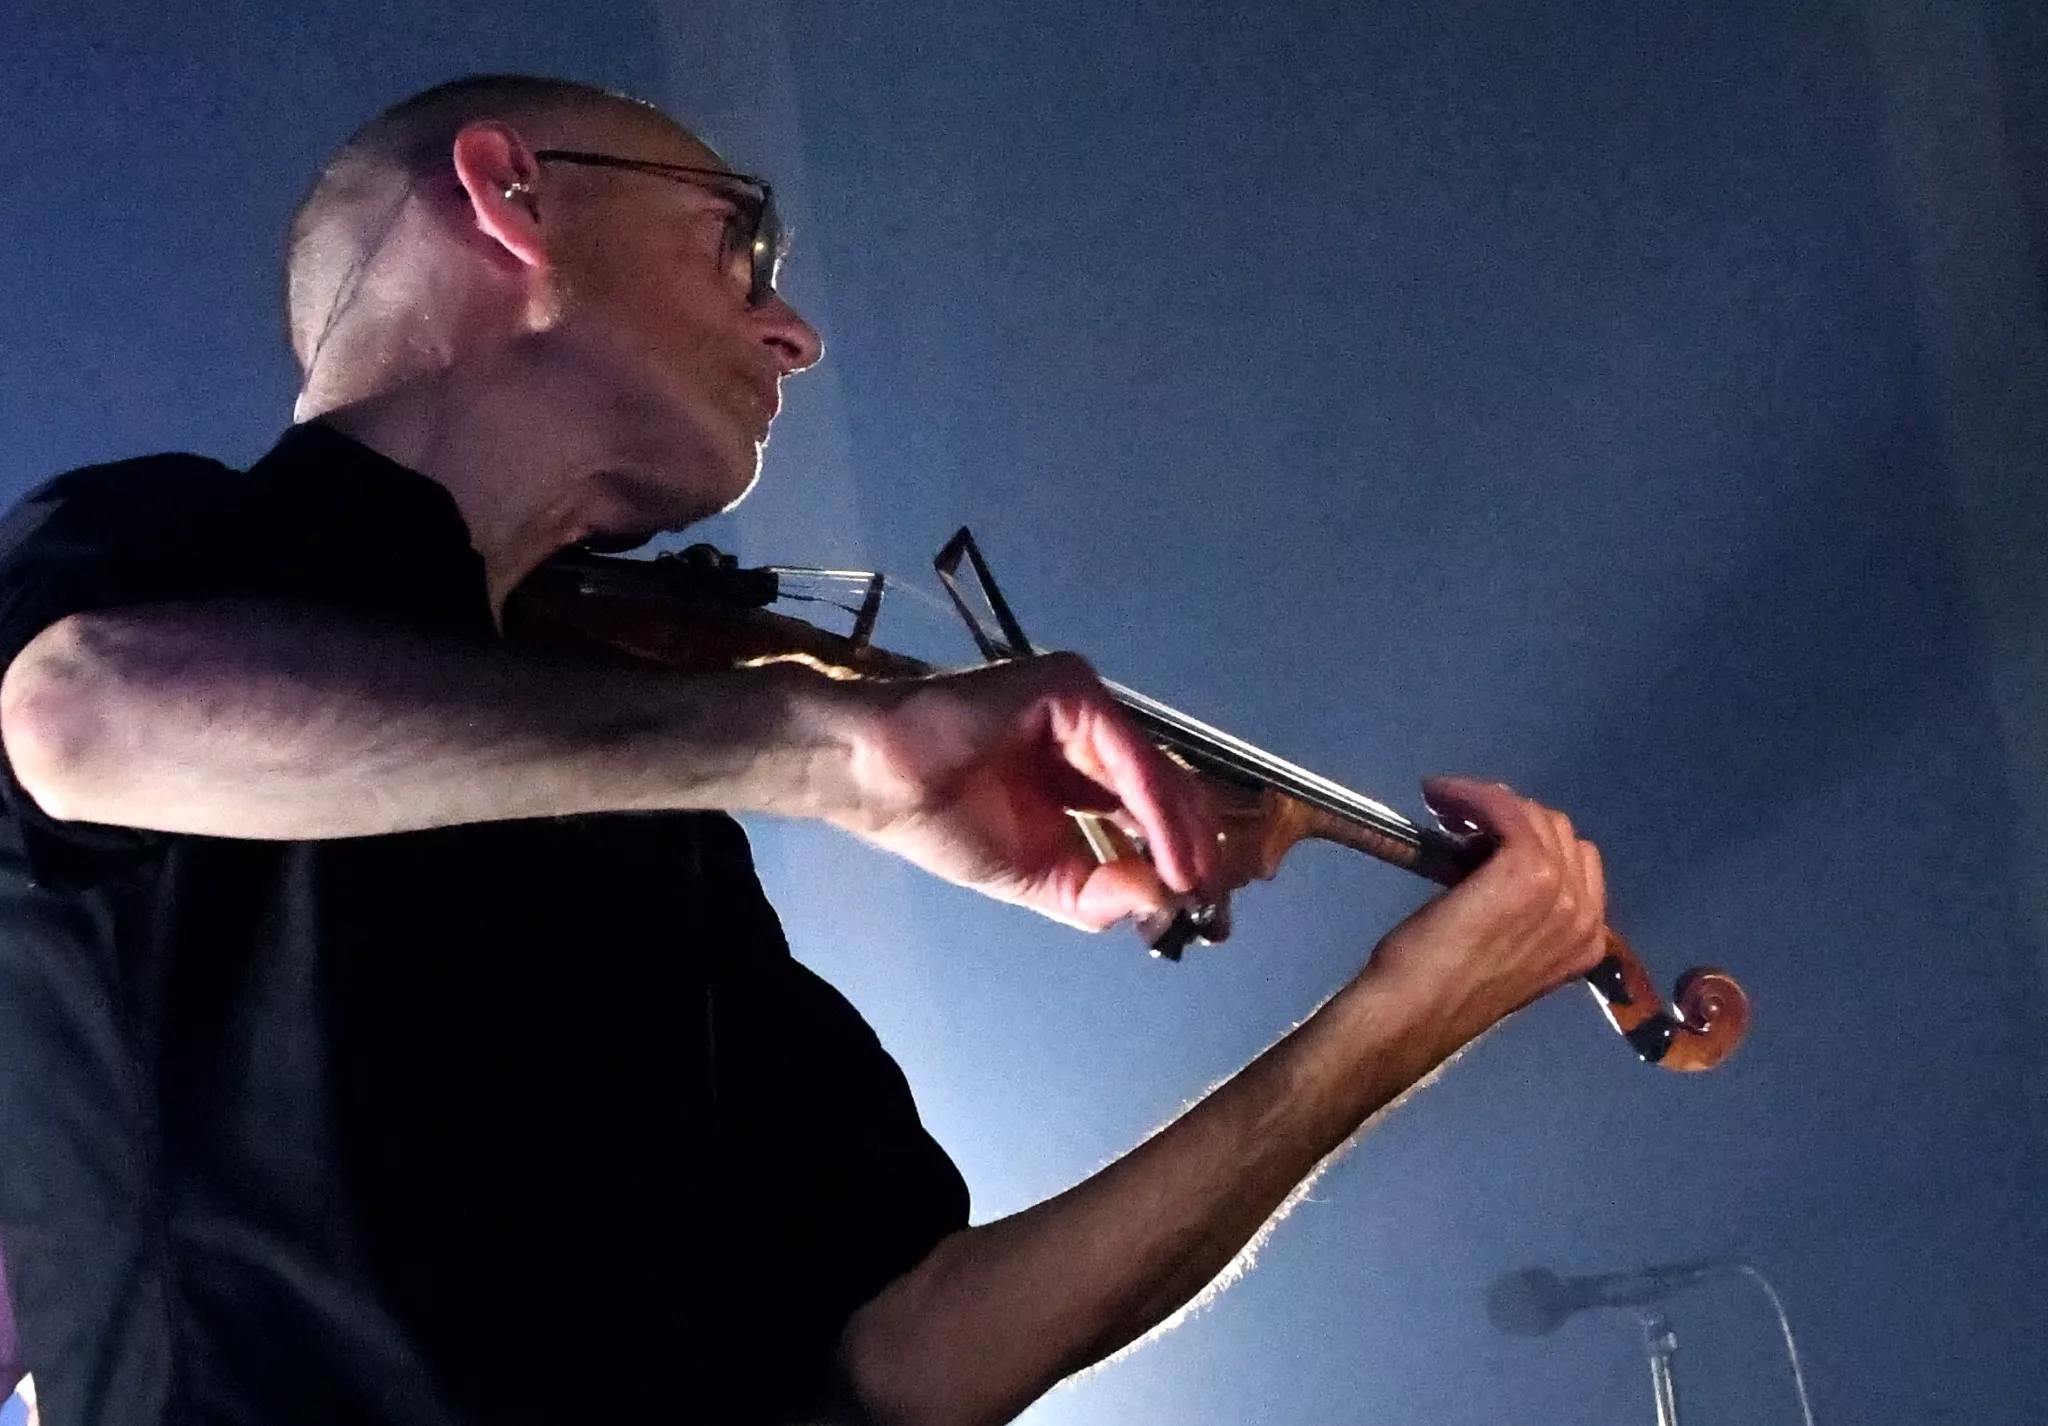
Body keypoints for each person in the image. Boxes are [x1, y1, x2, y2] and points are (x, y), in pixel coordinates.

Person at [0, 75, 1608, 1426]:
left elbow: (908, 1351)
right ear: (509, 196)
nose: (795, 330)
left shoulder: (668, 821)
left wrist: (1388, 1028)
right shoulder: (173, 546)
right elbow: (83, 716)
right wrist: (825, 749)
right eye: (738, 240)